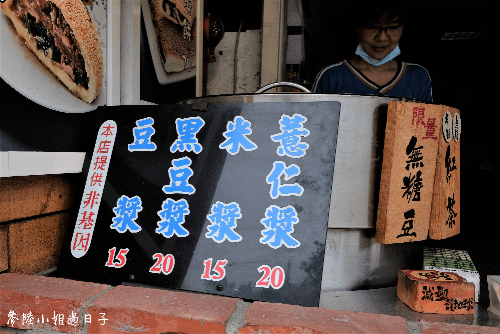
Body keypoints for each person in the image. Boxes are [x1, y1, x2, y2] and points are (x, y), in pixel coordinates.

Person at [312, 1, 433, 102]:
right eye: (372, 27)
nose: (382, 38)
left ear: (403, 28)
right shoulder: (331, 77)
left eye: (393, 27)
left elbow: (425, 127)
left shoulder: (418, 77)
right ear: (357, 27)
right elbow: (314, 126)